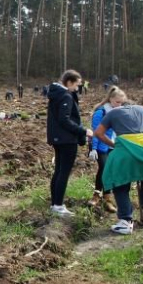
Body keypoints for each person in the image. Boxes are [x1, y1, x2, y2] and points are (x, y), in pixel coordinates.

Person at [94, 88, 143, 235]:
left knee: (120, 184)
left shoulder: (113, 112)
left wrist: (114, 145)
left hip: (124, 153)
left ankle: (126, 222)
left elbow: (98, 133)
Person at [46, 70, 93, 217]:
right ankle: (59, 206)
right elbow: (64, 119)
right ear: (69, 82)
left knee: (59, 171)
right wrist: (83, 131)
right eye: (77, 85)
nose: (78, 88)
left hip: (58, 138)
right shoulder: (66, 96)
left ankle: (55, 204)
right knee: (63, 173)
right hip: (67, 139)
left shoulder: (56, 94)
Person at [87, 87, 120, 212]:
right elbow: (96, 131)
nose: (120, 104)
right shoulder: (100, 112)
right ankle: (96, 196)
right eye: (117, 102)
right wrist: (93, 148)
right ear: (111, 99)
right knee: (104, 168)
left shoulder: (119, 111)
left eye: (121, 102)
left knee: (110, 169)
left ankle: (107, 197)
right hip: (100, 146)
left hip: (114, 145)